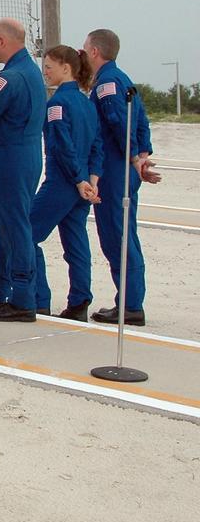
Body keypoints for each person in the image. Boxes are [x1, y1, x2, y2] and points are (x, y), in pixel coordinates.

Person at [84, 28, 160, 325]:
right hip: (123, 166)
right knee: (123, 234)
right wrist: (141, 155)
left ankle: (130, 305)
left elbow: (120, 123)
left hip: (114, 170)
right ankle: (129, 301)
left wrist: (133, 158)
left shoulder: (107, 84)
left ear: (94, 51)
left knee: (118, 235)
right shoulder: (121, 79)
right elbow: (140, 120)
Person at [0, 19, 47, 322]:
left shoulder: (7, 78)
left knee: (13, 225)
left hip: (10, 156)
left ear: (3, 42)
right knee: (7, 223)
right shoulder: (31, 72)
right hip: (26, 153)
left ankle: (22, 297)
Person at [29, 45, 103, 321]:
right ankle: (79, 301)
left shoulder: (57, 104)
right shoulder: (87, 103)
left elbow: (62, 146)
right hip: (82, 185)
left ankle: (38, 298)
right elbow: (97, 146)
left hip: (62, 182)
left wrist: (79, 179)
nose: (45, 72)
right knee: (76, 242)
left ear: (66, 68)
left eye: (49, 67)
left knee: (27, 234)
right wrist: (91, 180)